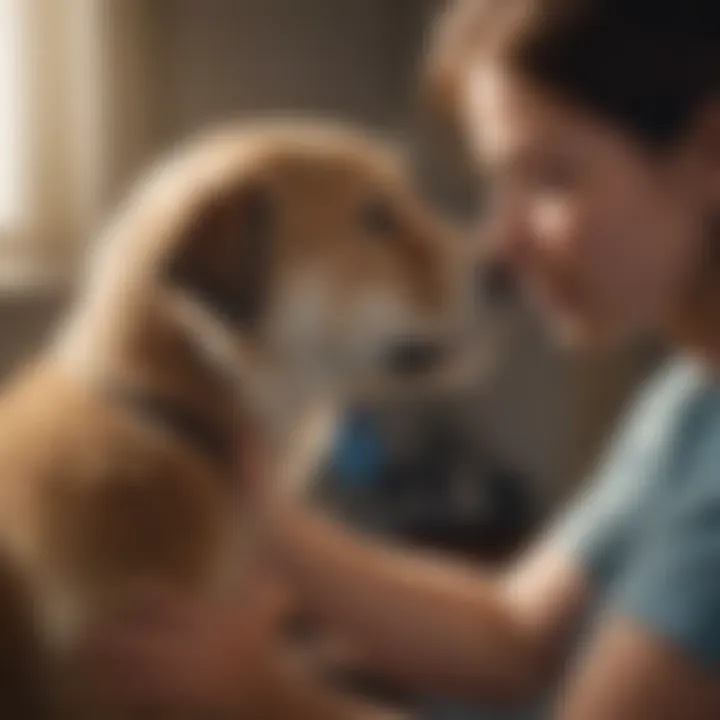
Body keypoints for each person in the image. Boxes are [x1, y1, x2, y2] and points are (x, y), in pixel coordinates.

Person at [87, 0, 720, 717]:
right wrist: (259, 509)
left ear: (711, 152)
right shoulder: (692, 401)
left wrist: (262, 695)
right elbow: (513, 633)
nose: (499, 243)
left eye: (551, 179)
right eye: (496, 182)